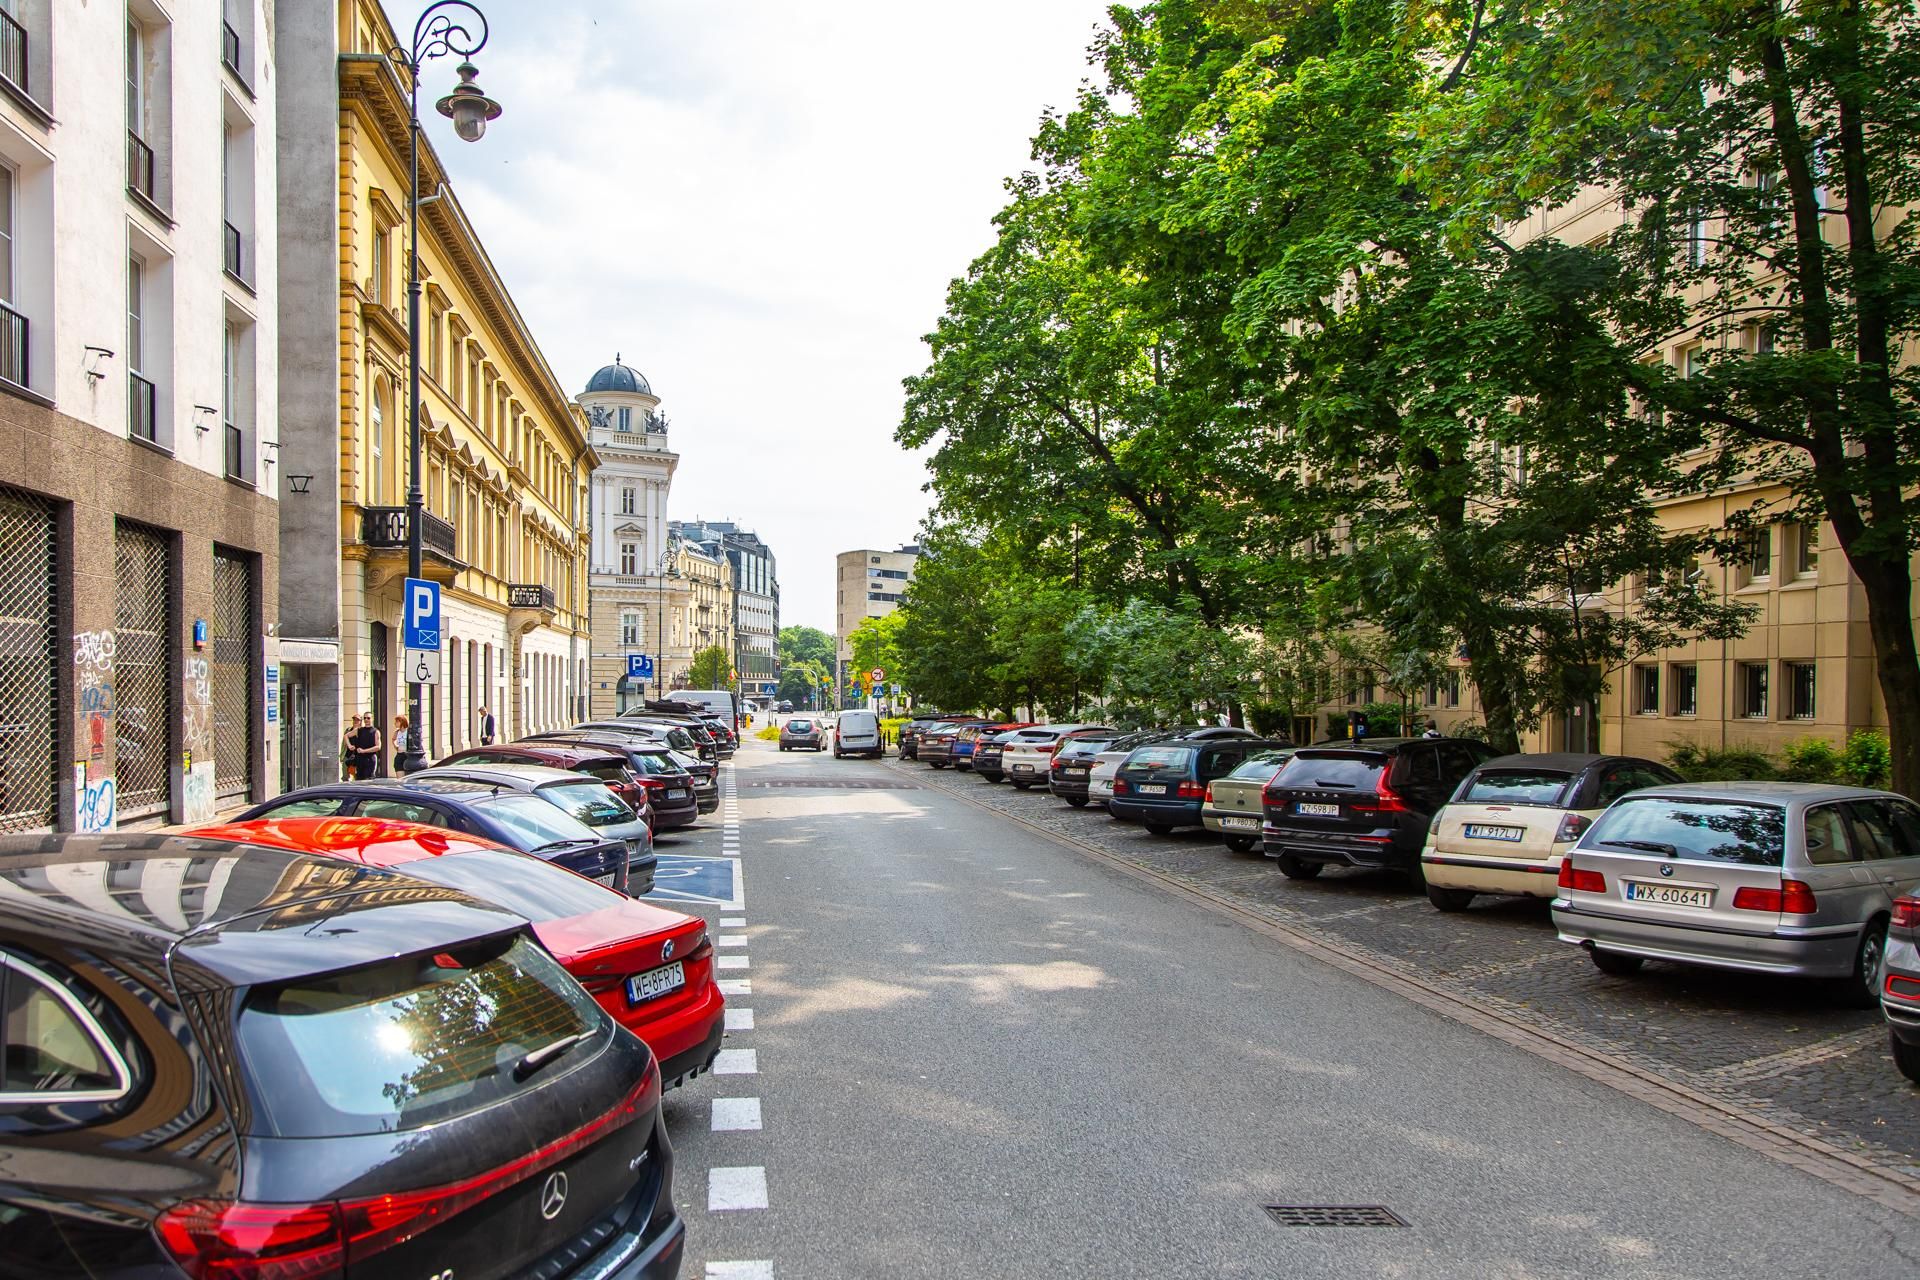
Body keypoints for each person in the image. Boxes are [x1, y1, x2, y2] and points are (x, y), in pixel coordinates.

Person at [350, 714, 380, 780]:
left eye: (368, 718)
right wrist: (350, 746)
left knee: (368, 779)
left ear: (372, 719)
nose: (366, 720)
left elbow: (378, 747)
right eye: (365, 718)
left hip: (370, 759)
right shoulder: (359, 730)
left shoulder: (375, 731)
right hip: (360, 759)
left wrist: (364, 751)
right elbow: (346, 736)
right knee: (359, 779)